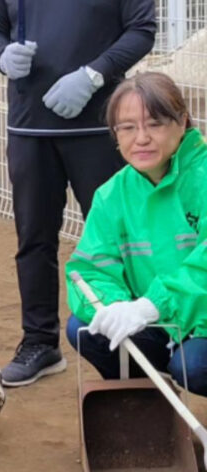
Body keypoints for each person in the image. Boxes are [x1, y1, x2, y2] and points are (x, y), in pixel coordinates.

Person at [0, 0, 156, 387]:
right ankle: (40, 341)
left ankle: (138, 339)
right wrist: (1, 56)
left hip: (99, 125)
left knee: (121, 240)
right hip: (29, 127)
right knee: (34, 238)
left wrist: (94, 74)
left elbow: (142, 29)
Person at [66, 73, 207, 394]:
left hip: (196, 319)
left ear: (182, 121)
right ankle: (150, 415)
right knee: (87, 328)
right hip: (162, 318)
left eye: (155, 124)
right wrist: (115, 307)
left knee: (195, 365)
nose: (141, 138)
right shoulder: (111, 194)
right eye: (127, 127)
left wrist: (149, 306)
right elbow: (88, 271)